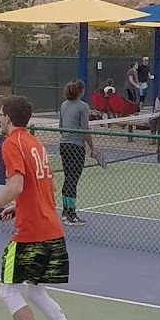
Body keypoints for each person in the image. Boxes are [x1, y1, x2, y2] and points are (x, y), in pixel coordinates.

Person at [0, 95, 91, 320]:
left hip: (30, 235)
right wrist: (17, 206)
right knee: (37, 292)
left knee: (9, 292)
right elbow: (40, 187)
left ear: (9, 118)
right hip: (51, 229)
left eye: (1, 115)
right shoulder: (35, 144)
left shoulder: (11, 143)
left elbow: (15, 184)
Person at [57, 80, 98, 226]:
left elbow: (61, 126)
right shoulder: (83, 106)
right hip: (76, 147)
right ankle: (71, 214)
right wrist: (92, 148)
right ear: (82, 90)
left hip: (64, 146)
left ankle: (65, 212)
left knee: (68, 178)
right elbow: (85, 129)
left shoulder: (63, 105)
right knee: (73, 180)